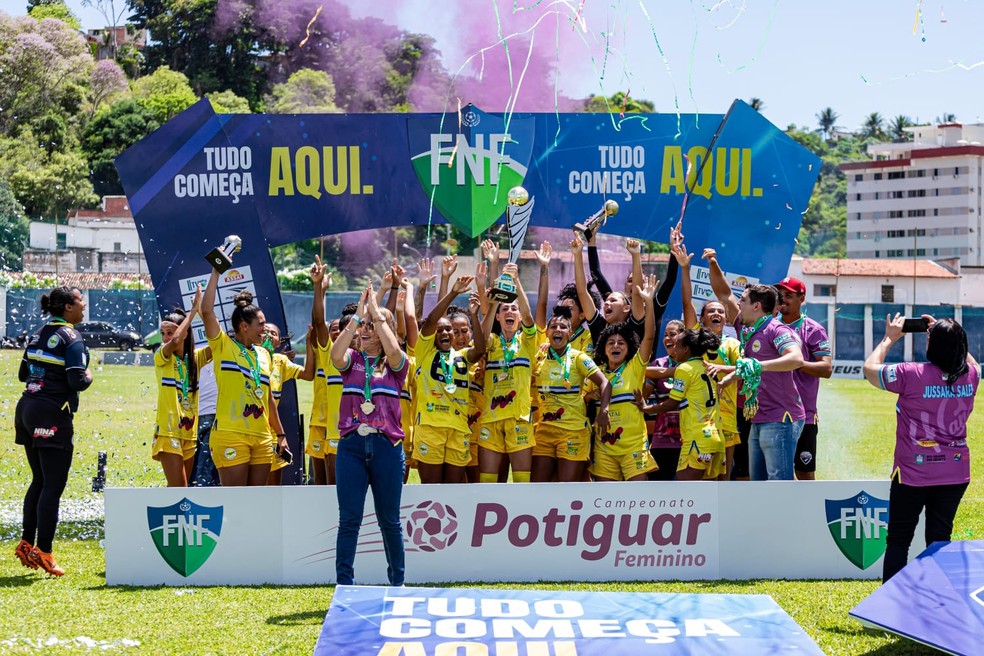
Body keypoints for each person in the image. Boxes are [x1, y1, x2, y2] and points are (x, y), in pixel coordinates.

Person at [863, 314, 980, 583]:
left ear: (932, 346)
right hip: (955, 471)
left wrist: (889, 338)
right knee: (940, 539)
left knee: (898, 540)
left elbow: (870, 370)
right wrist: (948, 332)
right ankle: (939, 603)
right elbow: (970, 362)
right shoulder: (971, 375)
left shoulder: (910, 373)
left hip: (913, 472)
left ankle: (890, 610)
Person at [330, 283, 408, 586]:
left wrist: (377, 314)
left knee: (389, 521)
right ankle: (344, 585)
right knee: (349, 519)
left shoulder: (397, 366)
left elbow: (394, 350)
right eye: (364, 327)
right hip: (351, 447)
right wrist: (358, 316)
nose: (365, 332)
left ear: (384, 329)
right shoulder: (351, 361)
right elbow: (336, 354)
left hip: (386, 447)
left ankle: (397, 582)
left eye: (371, 328)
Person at [14, 286, 93, 576]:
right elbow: (76, 382)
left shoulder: (37, 333)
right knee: (52, 486)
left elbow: (24, 374)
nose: (84, 306)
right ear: (67, 307)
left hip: (26, 409)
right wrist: (89, 374)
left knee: (38, 480)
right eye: (80, 301)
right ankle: (44, 552)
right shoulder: (72, 337)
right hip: (50, 414)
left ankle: (26, 543)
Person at [200, 269, 286, 486]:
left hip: (262, 437)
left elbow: (267, 400)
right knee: (236, 501)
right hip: (231, 434)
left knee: (256, 502)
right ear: (244, 326)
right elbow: (207, 312)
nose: (265, 330)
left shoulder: (264, 354)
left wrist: (280, 434)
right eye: (261, 324)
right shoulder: (223, 346)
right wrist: (216, 272)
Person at [724, 284, 805, 481]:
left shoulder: (776, 330)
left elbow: (796, 359)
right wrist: (733, 374)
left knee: (779, 485)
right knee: (757, 484)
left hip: (780, 418)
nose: (738, 303)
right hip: (759, 417)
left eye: (742, 299)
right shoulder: (750, 331)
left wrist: (758, 366)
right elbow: (723, 294)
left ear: (756, 306)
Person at [675, 243, 742, 480]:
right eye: (711, 311)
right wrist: (685, 268)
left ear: (726, 319)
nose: (716, 314)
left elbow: (744, 370)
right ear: (702, 319)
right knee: (699, 478)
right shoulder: (697, 341)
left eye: (721, 312)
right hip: (699, 422)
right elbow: (686, 304)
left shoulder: (733, 345)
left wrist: (723, 369)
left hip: (726, 420)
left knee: (723, 478)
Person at [588, 274, 659, 481]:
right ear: (604, 347)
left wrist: (648, 303)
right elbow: (582, 397)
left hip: (633, 446)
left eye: (621, 343)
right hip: (604, 448)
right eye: (611, 343)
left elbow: (649, 336)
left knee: (638, 502)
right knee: (604, 504)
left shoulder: (635, 365)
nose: (616, 346)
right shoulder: (598, 371)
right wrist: (590, 397)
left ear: (629, 347)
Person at [414, 278, 486, 483]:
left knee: (453, 490)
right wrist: (453, 292)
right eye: (441, 330)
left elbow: (480, 350)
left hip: (458, 430)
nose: (446, 332)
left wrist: (474, 315)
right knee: (432, 489)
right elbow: (429, 322)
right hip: (430, 429)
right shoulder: (424, 351)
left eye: (449, 330)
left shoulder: (462, 355)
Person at [531, 307, 610, 482]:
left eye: (562, 327)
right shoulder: (539, 358)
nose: (557, 330)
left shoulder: (579, 358)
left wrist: (604, 411)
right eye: (553, 327)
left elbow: (604, 382)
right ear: (547, 333)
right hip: (544, 430)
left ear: (570, 332)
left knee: (566, 487)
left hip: (573, 431)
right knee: (537, 487)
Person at [478, 262, 540, 483]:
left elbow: (529, 316)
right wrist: (495, 303)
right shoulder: (492, 341)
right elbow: (481, 339)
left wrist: (516, 281)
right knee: (487, 482)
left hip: (519, 418)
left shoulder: (528, 341)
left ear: (519, 318)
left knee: (522, 482)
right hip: (491, 419)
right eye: (505, 309)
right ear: (498, 317)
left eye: (514, 309)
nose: (510, 312)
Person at [647, 328, 726, 480]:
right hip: (716, 438)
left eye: (676, 344)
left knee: (685, 491)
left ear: (686, 349)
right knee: (707, 496)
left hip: (697, 440)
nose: (673, 348)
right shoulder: (706, 366)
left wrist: (646, 407)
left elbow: (671, 404)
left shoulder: (684, 369)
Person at [775, 276, 832, 480]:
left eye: (789, 295)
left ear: (802, 298)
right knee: (772, 474)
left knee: (804, 473)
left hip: (804, 416)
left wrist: (795, 362)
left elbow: (826, 368)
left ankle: (811, 513)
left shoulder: (813, 329)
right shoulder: (769, 327)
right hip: (771, 414)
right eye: (780, 295)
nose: (783, 299)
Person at [152, 287, 211, 487]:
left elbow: (220, 344)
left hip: (189, 432)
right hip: (169, 432)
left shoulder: (195, 358)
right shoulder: (162, 356)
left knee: (178, 489)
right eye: (164, 333)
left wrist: (204, 314)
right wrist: (192, 312)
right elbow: (176, 340)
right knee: (180, 488)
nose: (167, 337)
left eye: (170, 332)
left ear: (186, 333)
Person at [264, 322, 315, 485]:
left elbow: (308, 375)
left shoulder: (280, 362)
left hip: (272, 436)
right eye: (265, 331)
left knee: (272, 491)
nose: (268, 335)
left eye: (273, 333)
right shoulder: (244, 358)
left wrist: (308, 344)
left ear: (279, 341)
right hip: (247, 433)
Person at [636, 321, 685, 481]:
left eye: (672, 334)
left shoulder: (692, 364)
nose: (667, 339)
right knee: (658, 489)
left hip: (688, 438)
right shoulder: (658, 364)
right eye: (665, 335)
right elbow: (644, 394)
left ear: (683, 337)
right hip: (662, 440)